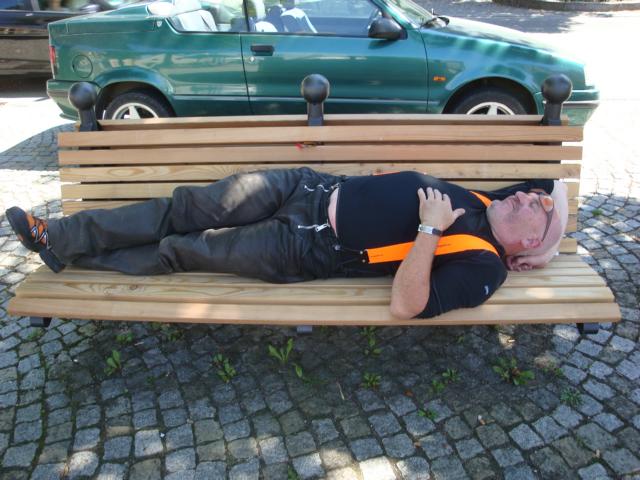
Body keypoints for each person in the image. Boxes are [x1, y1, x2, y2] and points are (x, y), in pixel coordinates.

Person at [5, 167, 567, 319]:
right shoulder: (495, 204)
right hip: (305, 185)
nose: (530, 196)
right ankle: (59, 235)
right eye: (531, 194)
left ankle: (82, 255)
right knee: (182, 208)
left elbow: (406, 305)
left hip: (305, 246)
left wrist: (429, 229)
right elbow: (550, 188)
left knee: (186, 248)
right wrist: (544, 241)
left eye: (538, 205)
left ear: (526, 243)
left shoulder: (484, 265)